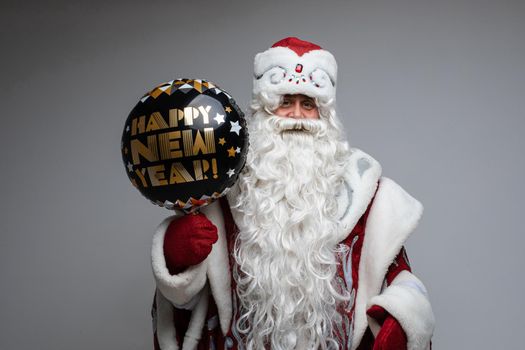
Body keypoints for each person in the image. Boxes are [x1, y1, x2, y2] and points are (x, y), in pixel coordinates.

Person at [151, 37, 435, 350]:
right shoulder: (223, 192)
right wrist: (176, 259)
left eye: (308, 104)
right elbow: (186, 305)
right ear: (263, 109)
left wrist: (400, 322)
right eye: (285, 101)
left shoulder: (369, 195)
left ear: (325, 113)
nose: (297, 115)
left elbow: (404, 280)